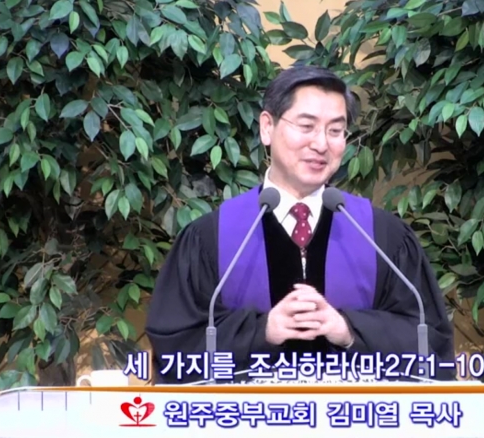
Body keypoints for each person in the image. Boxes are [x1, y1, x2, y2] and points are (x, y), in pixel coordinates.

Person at [145, 66, 455, 384]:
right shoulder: (211, 237)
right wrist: (261, 332)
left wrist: (348, 330)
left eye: (335, 130)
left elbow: (431, 346)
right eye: (306, 126)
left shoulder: (383, 236)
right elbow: (175, 352)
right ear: (267, 127)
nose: (321, 144)